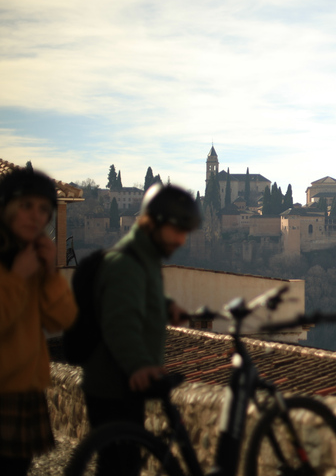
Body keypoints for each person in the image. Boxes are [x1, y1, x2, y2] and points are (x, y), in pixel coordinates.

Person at [79, 182, 199, 474]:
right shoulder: (127, 263)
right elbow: (120, 321)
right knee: (118, 468)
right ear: (155, 223)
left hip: (119, 383)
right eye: (178, 229)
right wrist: (139, 365)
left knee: (122, 465)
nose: (182, 240)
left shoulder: (141, 258)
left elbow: (138, 295)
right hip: (115, 384)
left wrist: (166, 304)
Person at [0, 168, 78, 475]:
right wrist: (18, 277)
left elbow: (62, 319)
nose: (36, 216)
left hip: (24, 392)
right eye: (26, 206)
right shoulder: (16, 264)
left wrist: (51, 276)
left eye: (44, 209)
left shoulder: (29, 257)